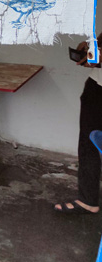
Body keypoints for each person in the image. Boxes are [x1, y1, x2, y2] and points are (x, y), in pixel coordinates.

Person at [54, 33, 102, 214]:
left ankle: (89, 200)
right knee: (90, 142)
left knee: (90, 143)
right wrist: (92, 48)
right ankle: (89, 197)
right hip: (97, 86)